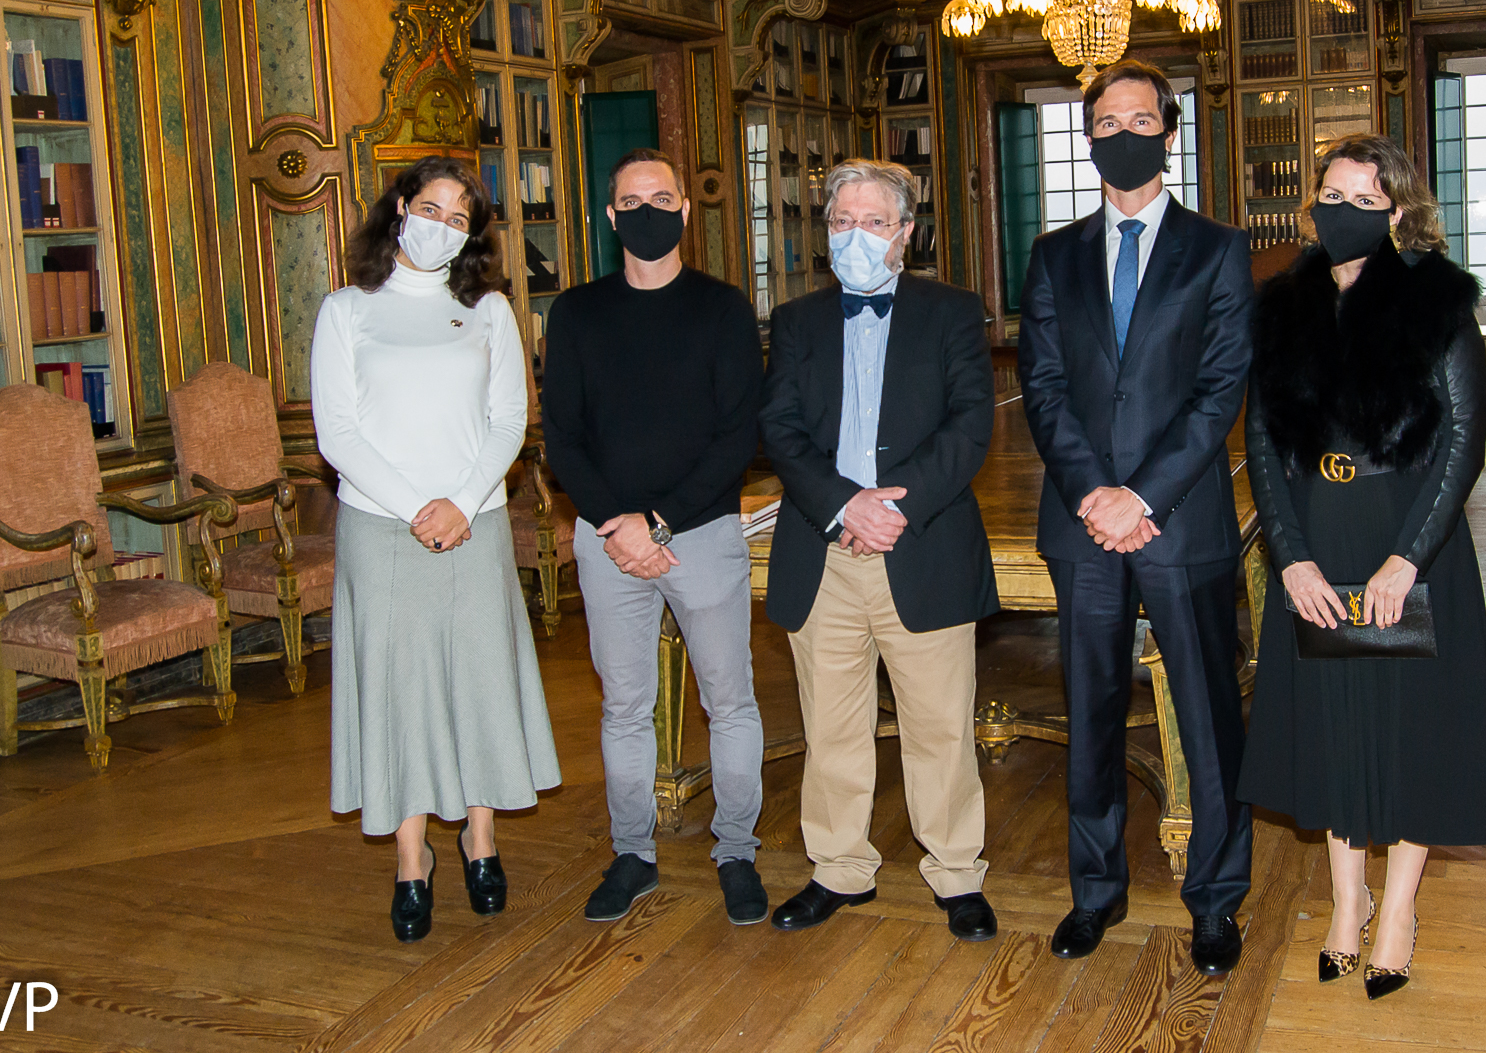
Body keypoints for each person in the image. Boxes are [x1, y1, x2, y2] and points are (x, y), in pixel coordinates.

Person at [1238, 133, 1486, 1000]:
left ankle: (1398, 911)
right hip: (1318, 538)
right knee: (1334, 723)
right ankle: (1347, 900)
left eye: (1363, 199)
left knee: (1406, 727)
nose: (1341, 211)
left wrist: (1406, 562)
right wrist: (1290, 559)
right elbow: (1262, 442)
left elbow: (1462, 443)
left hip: (1408, 539)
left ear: (1398, 211)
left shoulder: (1436, 302)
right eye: (1331, 196)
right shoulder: (1286, 305)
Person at [1017, 59, 1255, 975]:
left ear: (1170, 132)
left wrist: (1142, 496)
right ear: (1090, 140)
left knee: (1206, 716)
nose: (1124, 135)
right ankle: (1095, 892)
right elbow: (1043, 388)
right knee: (1092, 712)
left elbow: (1219, 388)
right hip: (1083, 524)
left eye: (1141, 120)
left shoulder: (1218, 249)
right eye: (1107, 124)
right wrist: (1095, 494)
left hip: (1179, 519)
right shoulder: (1054, 255)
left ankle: (1216, 899)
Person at [311, 156, 561, 944]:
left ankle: (480, 839)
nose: (440, 226)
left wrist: (459, 502)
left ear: (473, 234)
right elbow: (338, 433)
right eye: (430, 208)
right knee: (398, 690)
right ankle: (411, 857)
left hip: (474, 523)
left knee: (479, 680)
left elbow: (509, 419)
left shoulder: (488, 310)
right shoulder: (346, 310)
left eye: (458, 218)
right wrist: (416, 509)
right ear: (399, 207)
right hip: (380, 529)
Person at [759, 158, 1001, 943]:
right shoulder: (795, 321)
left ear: (906, 233)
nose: (854, 236)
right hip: (823, 549)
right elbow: (780, 429)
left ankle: (957, 873)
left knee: (940, 727)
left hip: (920, 542)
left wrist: (896, 507)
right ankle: (838, 868)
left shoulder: (953, 312)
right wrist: (844, 505)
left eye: (873, 222)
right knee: (831, 727)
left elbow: (971, 422)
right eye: (841, 222)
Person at [539, 147, 770, 928]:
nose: (647, 213)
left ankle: (736, 852)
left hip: (700, 532)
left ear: (685, 210)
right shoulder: (575, 313)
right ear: (611, 217)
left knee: (729, 701)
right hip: (608, 539)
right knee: (624, 707)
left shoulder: (724, 308)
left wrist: (660, 522)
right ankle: (632, 853)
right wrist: (620, 524)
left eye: (661, 200)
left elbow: (739, 435)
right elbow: (563, 437)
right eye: (631, 203)